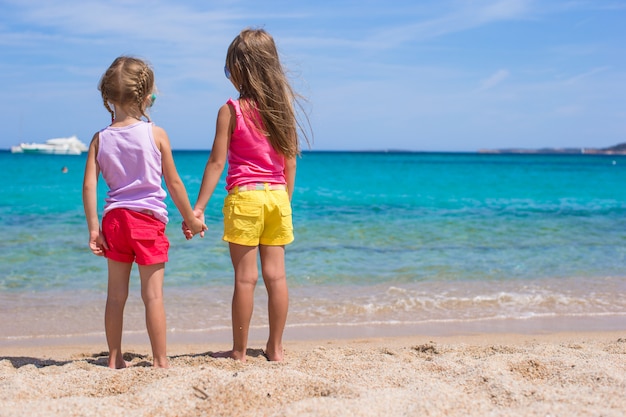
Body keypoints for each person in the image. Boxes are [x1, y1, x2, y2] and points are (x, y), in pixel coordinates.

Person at [184, 28, 310, 362]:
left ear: (241, 69)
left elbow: (216, 162)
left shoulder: (231, 110)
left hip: (245, 197)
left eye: (229, 68)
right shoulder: (282, 110)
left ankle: (239, 352)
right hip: (277, 198)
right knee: (276, 276)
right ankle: (276, 348)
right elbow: (290, 162)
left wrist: (198, 208)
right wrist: (286, 200)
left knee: (245, 279)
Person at [82, 56, 206, 369]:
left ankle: (114, 358)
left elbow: (89, 187)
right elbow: (174, 183)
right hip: (147, 222)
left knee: (115, 296)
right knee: (152, 297)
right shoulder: (156, 134)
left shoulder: (100, 139)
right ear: (147, 94)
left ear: (107, 97)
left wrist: (94, 229)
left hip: (114, 221)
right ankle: (160, 360)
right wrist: (191, 218)